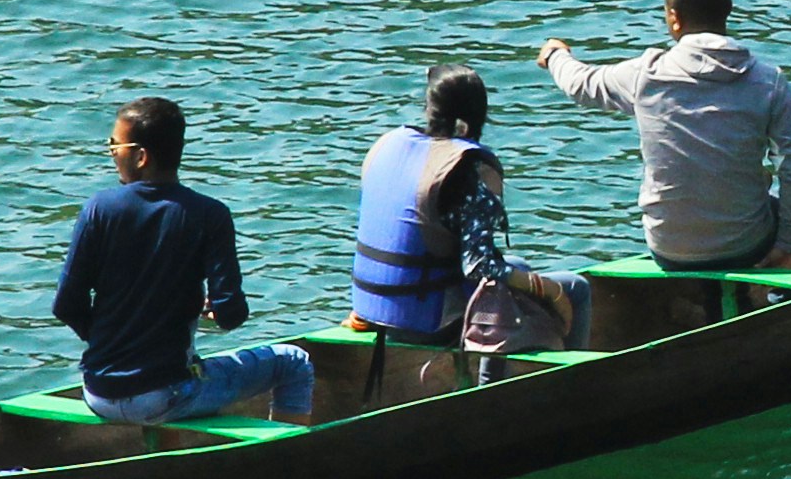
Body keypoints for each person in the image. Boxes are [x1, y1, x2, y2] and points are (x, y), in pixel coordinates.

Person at [535, 0, 791, 273]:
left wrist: (555, 54)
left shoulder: (645, 74)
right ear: (727, 9)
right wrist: (788, 245)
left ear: (674, 19)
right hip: (744, 247)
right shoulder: (768, 81)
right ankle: (782, 300)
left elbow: (580, 84)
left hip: (668, 246)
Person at [54, 96, 321, 426]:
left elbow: (66, 304)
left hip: (98, 393)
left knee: (181, 371)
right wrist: (213, 309)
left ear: (140, 156)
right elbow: (231, 315)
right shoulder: (209, 215)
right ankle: (287, 465)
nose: (112, 154)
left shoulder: (98, 209)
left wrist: (114, 343)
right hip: (165, 396)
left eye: (114, 146)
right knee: (292, 362)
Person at [352, 65, 576, 351]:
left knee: (518, 268)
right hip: (426, 322)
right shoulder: (465, 171)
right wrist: (547, 289)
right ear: (472, 121)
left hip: (373, 310)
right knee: (574, 288)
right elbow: (479, 266)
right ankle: (546, 387)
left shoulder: (388, 146)